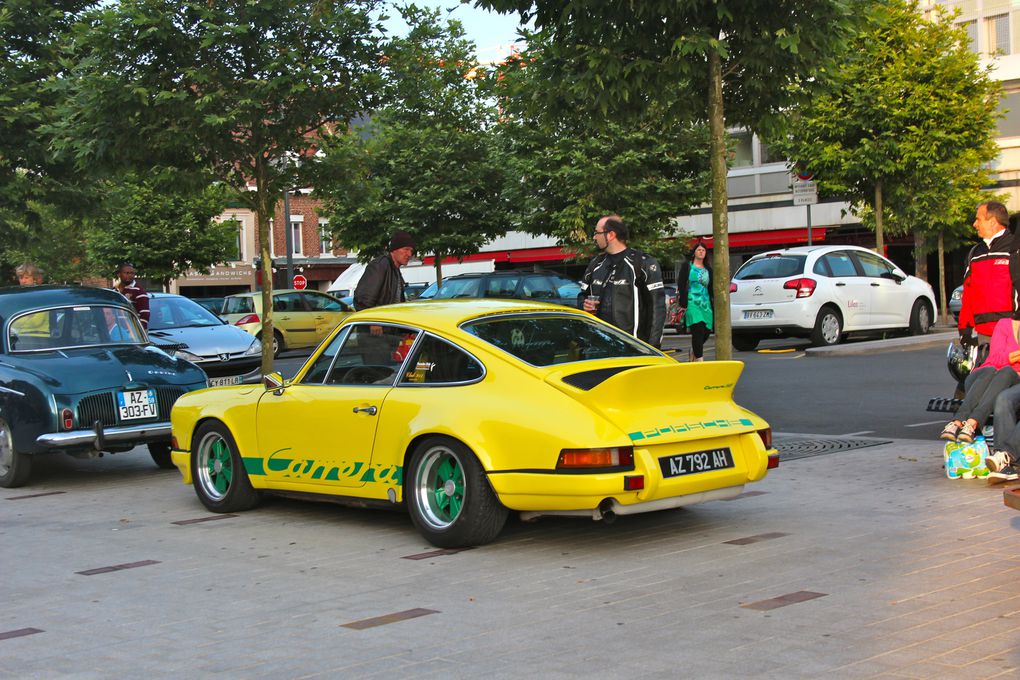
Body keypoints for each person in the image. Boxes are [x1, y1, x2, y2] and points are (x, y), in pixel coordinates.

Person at [578, 215, 666, 348]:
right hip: (598, 347)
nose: (594, 237)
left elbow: (657, 308)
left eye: (597, 233)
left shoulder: (643, 263)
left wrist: (652, 347)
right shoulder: (595, 264)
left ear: (611, 234)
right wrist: (584, 305)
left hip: (632, 347)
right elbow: (582, 297)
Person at [941, 316, 1020, 443]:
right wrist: (1014, 357)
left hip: (1004, 379)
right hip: (983, 376)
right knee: (992, 371)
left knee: (1005, 372)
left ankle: (964, 423)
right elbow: (994, 359)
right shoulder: (1004, 324)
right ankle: (960, 423)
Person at [957, 201, 1016, 347]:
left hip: (1013, 333)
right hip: (984, 337)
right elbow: (968, 294)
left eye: (979, 219)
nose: (974, 224)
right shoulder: (974, 254)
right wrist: (964, 331)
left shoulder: (1015, 249)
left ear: (993, 222)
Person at [353, 231, 415, 311]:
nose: (409, 254)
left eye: (411, 251)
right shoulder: (380, 265)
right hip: (378, 321)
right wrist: (372, 322)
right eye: (406, 249)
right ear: (394, 249)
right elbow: (362, 300)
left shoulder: (396, 271)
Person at [676, 241, 714, 361]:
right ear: (694, 253)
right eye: (699, 250)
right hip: (692, 302)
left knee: (706, 331)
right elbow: (681, 284)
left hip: (706, 303)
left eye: (703, 250)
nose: (701, 252)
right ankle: (700, 359)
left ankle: (695, 351)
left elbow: (711, 287)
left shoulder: (708, 269)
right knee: (697, 329)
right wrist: (683, 302)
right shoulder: (687, 266)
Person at [114, 262, 150, 330]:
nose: (130, 275)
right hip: (116, 332)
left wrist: (136, 333)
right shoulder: (114, 291)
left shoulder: (139, 291)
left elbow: (145, 315)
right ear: (119, 274)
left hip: (133, 334)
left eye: (132, 273)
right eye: (127, 273)